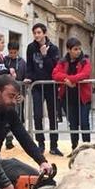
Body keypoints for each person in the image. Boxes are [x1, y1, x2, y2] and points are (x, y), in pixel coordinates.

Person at [25, 23, 64, 156]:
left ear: (44, 33)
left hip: (50, 86)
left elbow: (54, 68)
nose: (37, 35)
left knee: (53, 116)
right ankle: (40, 144)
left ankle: (54, 145)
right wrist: (28, 77)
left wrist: (45, 55)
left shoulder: (53, 49)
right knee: (37, 114)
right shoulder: (30, 48)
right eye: (35, 33)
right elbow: (29, 66)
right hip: (37, 85)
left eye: (39, 32)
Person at [52, 38, 93, 152]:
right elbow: (55, 74)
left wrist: (70, 80)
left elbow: (85, 74)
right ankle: (74, 148)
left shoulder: (85, 61)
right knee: (73, 124)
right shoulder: (63, 61)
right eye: (75, 49)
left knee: (84, 123)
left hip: (83, 98)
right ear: (69, 50)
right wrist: (67, 81)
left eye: (79, 49)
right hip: (68, 98)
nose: (78, 51)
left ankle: (87, 149)